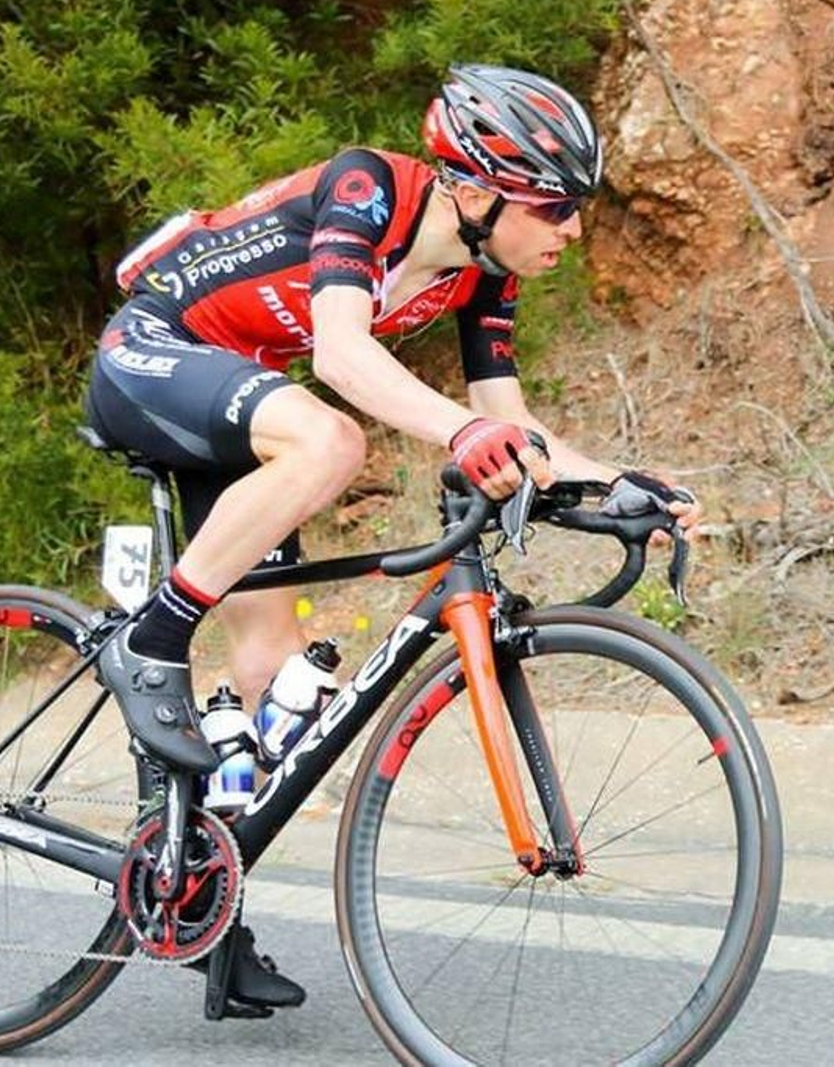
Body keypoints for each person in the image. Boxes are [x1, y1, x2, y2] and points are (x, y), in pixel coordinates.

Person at [84, 63, 702, 1009]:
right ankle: (151, 639)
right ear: (476, 191)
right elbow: (340, 354)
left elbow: (511, 422)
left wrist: (617, 482)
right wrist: (460, 433)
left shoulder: (485, 275)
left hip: (237, 393)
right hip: (155, 353)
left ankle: (199, 901)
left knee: (274, 685)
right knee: (331, 440)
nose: (573, 228)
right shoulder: (367, 187)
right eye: (553, 206)